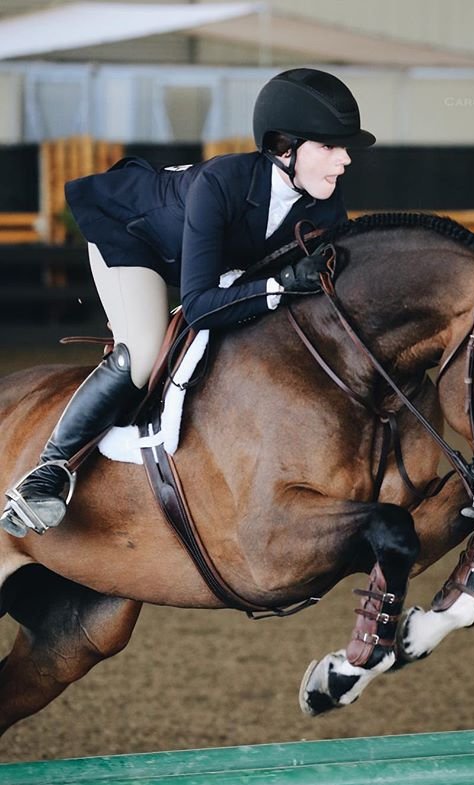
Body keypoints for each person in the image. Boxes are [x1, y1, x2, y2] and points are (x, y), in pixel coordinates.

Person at [1, 67, 375, 538]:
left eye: (344, 148)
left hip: (205, 257)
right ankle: (47, 472)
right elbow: (199, 306)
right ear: (284, 148)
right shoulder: (220, 182)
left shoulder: (325, 204)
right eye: (329, 147)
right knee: (143, 351)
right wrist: (278, 286)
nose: (344, 160)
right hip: (133, 235)